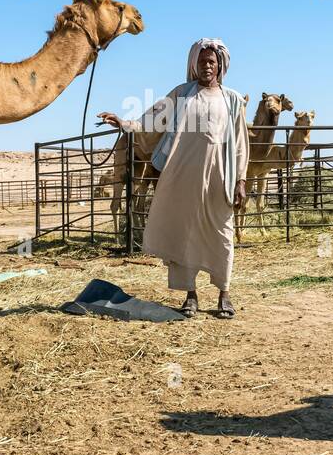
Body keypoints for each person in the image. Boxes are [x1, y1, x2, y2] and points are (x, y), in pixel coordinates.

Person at [99, 38, 248, 318]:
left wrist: (240, 179)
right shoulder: (181, 94)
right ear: (194, 64)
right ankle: (190, 296)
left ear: (219, 66)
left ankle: (224, 294)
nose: (207, 66)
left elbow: (240, 143)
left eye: (211, 62)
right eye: (202, 61)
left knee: (223, 234)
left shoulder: (232, 100)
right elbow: (151, 119)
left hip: (220, 177)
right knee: (186, 233)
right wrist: (124, 123)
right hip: (183, 178)